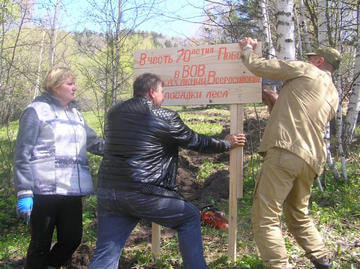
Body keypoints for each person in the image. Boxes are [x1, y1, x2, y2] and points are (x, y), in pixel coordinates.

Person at [89, 73, 246, 269]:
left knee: (107, 250)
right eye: (162, 92)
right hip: (144, 192)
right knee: (189, 216)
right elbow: (195, 141)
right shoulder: (164, 117)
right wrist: (225, 143)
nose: (163, 97)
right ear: (152, 92)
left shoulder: (114, 112)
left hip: (110, 191)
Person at [239, 37, 340, 269]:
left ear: (319, 61)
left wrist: (247, 49)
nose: (309, 59)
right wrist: (275, 101)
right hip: (312, 160)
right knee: (298, 215)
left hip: (285, 151)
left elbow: (259, 66)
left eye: (312, 57)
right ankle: (323, 259)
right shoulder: (333, 95)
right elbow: (304, 117)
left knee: (265, 216)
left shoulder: (306, 70)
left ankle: (278, 265)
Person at [14, 67, 104, 269]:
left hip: (71, 190)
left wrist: (126, 147)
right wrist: (23, 191)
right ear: (55, 86)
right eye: (70, 83)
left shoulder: (76, 115)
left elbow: (95, 143)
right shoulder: (35, 111)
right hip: (42, 190)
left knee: (72, 239)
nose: (75, 88)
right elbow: (22, 153)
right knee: (40, 244)